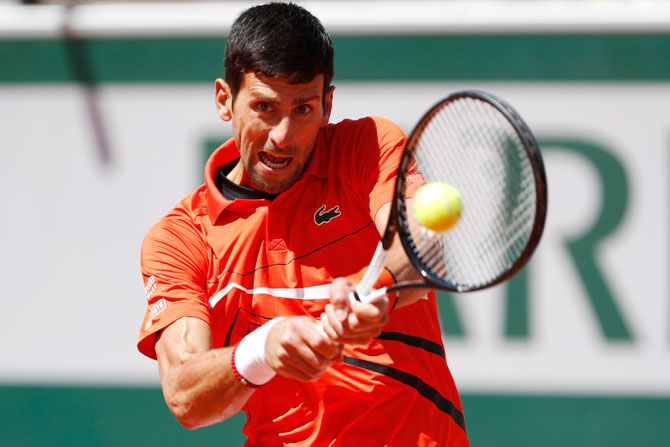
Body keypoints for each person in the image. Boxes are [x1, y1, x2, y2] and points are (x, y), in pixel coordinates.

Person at [137, 2, 469, 445]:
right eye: (265, 107)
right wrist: (263, 349)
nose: (283, 135)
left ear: (327, 103)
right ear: (224, 100)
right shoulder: (180, 239)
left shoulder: (366, 146)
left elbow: (420, 246)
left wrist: (375, 291)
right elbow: (184, 394)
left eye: (304, 109)